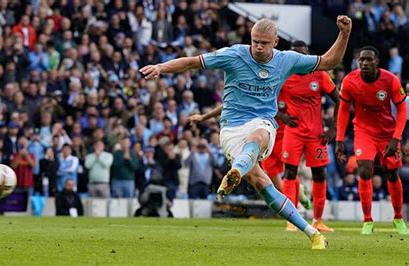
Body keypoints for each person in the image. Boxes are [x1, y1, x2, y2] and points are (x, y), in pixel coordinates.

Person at [140, 16, 353, 249]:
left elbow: (329, 61)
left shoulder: (286, 60)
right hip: (231, 128)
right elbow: (192, 62)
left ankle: (234, 172)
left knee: (259, 134)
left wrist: (344, 34)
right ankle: (313, 233)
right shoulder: (234, 55)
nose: (259, 46)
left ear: (275, 41)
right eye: (255, 41)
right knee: (263, 184)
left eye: (264, 42)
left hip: (263, 123)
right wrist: (161, 67)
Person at [336, 46, 408, 235]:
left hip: (387, 133)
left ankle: (398, 218)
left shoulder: (390, 80)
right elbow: (343, 109)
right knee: (365, 170)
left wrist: (396, 138)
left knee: (392, 173)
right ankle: (367, 221)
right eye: (362, 60)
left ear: (377, 62)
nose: (365, 63)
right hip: (363, 131)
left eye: (369, 60)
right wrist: (339, 139)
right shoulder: (350, 81)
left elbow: (402, 110)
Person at [278, 40, 340, 233]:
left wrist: (333, 128)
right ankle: (291, 218)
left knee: (320, 174)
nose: (300, 58)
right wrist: (281, 116)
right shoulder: (283, 76)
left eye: (303, 54)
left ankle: (318, 220)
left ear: (308, 54)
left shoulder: (320, 75)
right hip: (293, 133)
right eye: (296, 55)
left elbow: (340, 100)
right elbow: (265, 97)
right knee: (289, 173)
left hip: (316, 135)